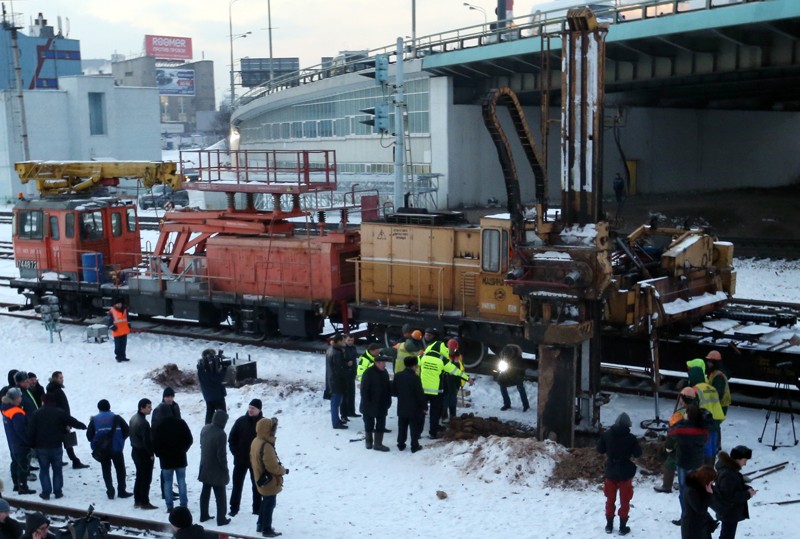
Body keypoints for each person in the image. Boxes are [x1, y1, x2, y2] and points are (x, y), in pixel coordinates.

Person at [27, 393, 86, 500]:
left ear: (43, 401)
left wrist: (30, 445)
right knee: (57, 470)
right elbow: (72, 421)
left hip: (41, 447)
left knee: (44, 470)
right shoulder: (60, 412)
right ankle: (58, 492)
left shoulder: (36, 413)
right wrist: (82, 426)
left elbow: (31, 431)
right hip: (57, 446)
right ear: (53, 402)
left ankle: (46, 493)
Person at [419, 329, 472, 439]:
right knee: (434, 412)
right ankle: (432, 433)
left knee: (422, 412)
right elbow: (456, 371)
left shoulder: (423, 357)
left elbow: (412, 365)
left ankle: (417, 433)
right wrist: (468, 379)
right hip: (436, 391)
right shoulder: (443, 360)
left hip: (424, 389)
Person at [596, 412, 642, 535]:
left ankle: (609, 525)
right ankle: (622, 527)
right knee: (625, 500)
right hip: (625, 471)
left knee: (610, 499)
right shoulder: (631, 438)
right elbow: (638, 453)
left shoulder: (606, 435)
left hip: (611, 470)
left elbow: (600, 449)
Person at [668, 404, 711, 526]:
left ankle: (686, 516)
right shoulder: (703, 430)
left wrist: (682, 421)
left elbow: (671, 431)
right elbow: (706, 440)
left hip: (683, 462)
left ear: (687, 415)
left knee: (684, 490)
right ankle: (697, 515)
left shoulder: (682, 429)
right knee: (696, 489)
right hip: (697, 462)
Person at [655, 387, 697, 494]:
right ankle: (687, 484)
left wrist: (669, 446)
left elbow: (672, 433)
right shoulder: (698, 411)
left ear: (682, 399)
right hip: (695, 444)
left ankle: (666, 486)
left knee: (670, 463)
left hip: (680, 444)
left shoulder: (679, 414)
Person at [87, 399, 131, 500]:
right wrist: (120, 439)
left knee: (106, 470)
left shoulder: (95, 420)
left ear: (99, 408)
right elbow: (127, 430)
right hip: (117, 448)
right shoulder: (117, 418)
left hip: (103, 450)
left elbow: (89, 436)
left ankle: (110, 491)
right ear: (109, 406)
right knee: (120, 470)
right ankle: (121, 491)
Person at [250, 417, 287, 538]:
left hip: (259, 478)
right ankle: (267, 529)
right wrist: (283, 471)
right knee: (270, 504)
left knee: (265, 502)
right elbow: (273, 467)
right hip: (269, 481)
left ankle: (260, 524)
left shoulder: (256, 441)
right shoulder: (266, 446)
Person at [153, 405, 193, 513]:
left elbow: (155, 444)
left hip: (166, 460)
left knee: (167, 482)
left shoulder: (159, 426)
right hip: (180, 458)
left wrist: (159, 454)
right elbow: (189, 439)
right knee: (181, 481)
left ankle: (169, 506)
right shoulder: (181, 423)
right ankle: (183, 504)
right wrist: (184, 449)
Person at [45, 371, 89, 469]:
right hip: (62, 420)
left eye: (62, 377)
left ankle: (60, 460)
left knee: (61, 441)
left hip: (58, 420)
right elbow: (62, 407)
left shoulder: (51, 389)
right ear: (55, 378)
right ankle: (74, 461)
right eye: (60, 378)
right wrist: (67, 422)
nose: (62, 379)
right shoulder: (57, 391)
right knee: (67, 441)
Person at [228, 399, 263, 518]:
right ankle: (234, 508)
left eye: (253, 408)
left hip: (256, 462)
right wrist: (236, 453)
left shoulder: (263, 424)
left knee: (257, 486)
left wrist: (262, 457)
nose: (250, 410)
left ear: (259, 410)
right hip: (240, 460)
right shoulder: (240, 421)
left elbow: (268, 442)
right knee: (237, 485)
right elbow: (231, 439)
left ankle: (257, 509)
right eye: (249, 407)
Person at [714, 445, 756, 539]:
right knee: (727, 536)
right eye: (744, 460)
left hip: (729, 511)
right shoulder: (728, 473)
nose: (745, 464)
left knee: (727, 535)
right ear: (738, 459)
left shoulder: (730, 470)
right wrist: (747, 494)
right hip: (729, 512)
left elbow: (735, 486)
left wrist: (747, 488)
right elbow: (729, 496)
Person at [688, 364, 725, 465]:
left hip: (705, 423)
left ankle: (706, 471)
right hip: (716, 421)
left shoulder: (695, 390)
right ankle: (710, 468)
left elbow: (694, 409)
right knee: (713, 448)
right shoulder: (711, 387)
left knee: (706, 448)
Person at [198, 410, 230, 526]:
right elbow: (221, 455)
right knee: (220, 495)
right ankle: (221, 519)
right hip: (216, 469)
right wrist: (225, 469)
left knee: (205, 492)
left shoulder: (205, 428)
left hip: (205, 465)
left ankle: (203, 515)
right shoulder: (221, 434)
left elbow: (201, 445)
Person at [1, 388, 35, 495]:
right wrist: (28, 442)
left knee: (15, 463)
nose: (21, 398)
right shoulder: (17, 413)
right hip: (20, 443)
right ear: (15, 398)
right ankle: (23, 487)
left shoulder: (5, 408)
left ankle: (16, 484)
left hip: (12, 441)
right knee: (23, 465)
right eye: (20, 396)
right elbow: (21, 430)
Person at [152, 387, 182, 503]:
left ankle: (168, 490)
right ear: (164, 397)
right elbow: (155, 427)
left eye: (171, 396)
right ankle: (165, 491)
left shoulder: (175, 406)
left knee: (173, 467)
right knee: (165, 469)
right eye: (167, 396)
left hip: (175, 442)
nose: (170, 399)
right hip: (164, 443)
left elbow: (179, 421)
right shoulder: (159, 409)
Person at [392, 355, 427, 453]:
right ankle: (414, 445)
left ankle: (401, 444)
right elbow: (420, 394)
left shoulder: (398, 375)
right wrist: (424, 406)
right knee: (414, 427)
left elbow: (394, 391)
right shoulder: (415, 378)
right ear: (414, 366)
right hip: (414, 408)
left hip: (402, 406)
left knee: (402, 426)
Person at [129, 398, 158, 510]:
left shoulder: (133, 418)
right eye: (148, 407)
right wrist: (151, 453)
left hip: (135, 451)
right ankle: (145, 502)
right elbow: (146, 441)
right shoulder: (144, 423)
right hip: (143, 453)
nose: (150, 409)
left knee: (139, 476)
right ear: (142, 408)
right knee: (146, 478)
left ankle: (138, 500)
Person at [360, 355, 393, 452]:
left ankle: (378, 444)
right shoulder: (368, 373)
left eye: (385, 363)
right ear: (376, 363)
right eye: (382, 363)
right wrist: (366, 403)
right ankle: (368, 441)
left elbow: (387, 388)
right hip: (369, 403)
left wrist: (388, 400)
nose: (384, 365)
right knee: (369, 423)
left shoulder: (385, 372)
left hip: (382, 403)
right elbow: (364, 390)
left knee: (381, 424)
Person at [681, 465, 718, 539]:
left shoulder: (700, 487)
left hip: (701, 525)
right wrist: (709, 494)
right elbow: (700, 509)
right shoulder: (691, 491)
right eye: (711, 481)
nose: (713, 483)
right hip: (692, 528)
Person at [705, 350, 731, 450]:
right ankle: (716, 445)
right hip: (718, 404)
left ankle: (716, 445)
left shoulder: (718, 376)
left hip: (720, 405)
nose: (708, 363)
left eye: (710, 361)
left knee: (714, 424)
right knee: (714, 424)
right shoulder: (714, 373)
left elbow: (718, 394)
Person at [197, 349, 228, 425]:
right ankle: (217, 430)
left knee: (209, 414)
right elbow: (217, 379)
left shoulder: (201, 369)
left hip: (208, 396)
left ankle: (207, 429)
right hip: (218, 396)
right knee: (222, 415)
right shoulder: (208, 369)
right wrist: (224, 369)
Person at [495, 344, 530, 412]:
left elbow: (521, 369)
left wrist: (519, 377)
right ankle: (507, 404)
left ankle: (526, 405)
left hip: (517, 374)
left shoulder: (518, 358)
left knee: (520, 387)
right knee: (502, 385)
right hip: (507, 373)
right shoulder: (503, 354)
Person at [324, 334, 348, 430]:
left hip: (332, 380)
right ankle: (336, 422)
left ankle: (336, 420)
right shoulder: (337, 353)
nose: (344, 342)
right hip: (336, 381)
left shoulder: (331, 350)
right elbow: (339, 368)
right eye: (343, 340)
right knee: (336, 402)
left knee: (335, 402)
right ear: (338, 341)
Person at [441, 339, 465, 421]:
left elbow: (461, 369)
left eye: (454, 349)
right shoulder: (444, 355)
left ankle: (453, 416)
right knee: (445, 401)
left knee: (453, 401)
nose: (452, 350)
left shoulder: (459, 356)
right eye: (451, 348)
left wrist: (461, 381)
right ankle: (444, 417)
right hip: (445, 382)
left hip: (455, 382)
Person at [106, 298, 131, 362]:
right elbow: (109, 323)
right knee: (118, 346)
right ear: (115, 305)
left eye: (120, 304)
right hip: (117, 332)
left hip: (124, 331)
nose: (119, 305)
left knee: (123, 345)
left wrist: (129, 324)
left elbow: (127, 318)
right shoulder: (112, 311)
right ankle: (118, 357)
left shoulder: (125, 310)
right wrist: (113, 328)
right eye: (118, 304)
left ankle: (123, 356)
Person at [341, 335, 359, 420]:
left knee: (352, 393)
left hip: (352, 374)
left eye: (352, 340)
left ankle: (351, 411)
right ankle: (345, 413)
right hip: (345, 374)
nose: (350, 342)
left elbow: (354, 360)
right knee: (345, 395)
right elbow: (339, 361)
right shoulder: (343, 349)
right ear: (345, 340)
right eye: (349, 340)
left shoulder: (353, 348)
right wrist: (346, 364)